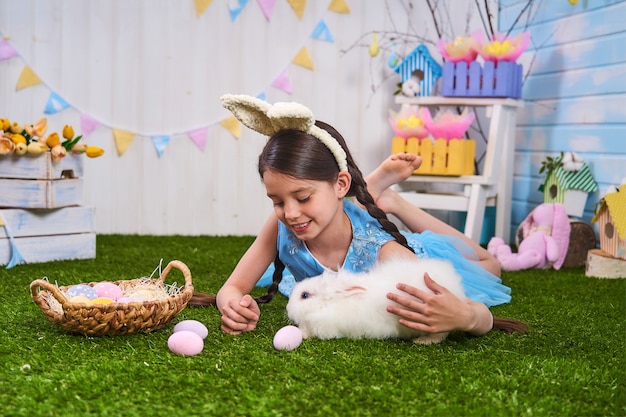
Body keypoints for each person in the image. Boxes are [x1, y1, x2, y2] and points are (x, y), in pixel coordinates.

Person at [207, 94, 517, 337]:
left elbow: (476, 313)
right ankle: (372, 192)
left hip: (398, 245)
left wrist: (467, 317)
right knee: (333, 214)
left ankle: (392, 202)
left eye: (302, 197)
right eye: (276, 201)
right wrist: (233, 306)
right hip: (341, 226)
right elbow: (231, 288)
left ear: (340, 184)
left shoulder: (388, 254)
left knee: (491, 266)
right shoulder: (283, 224)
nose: (289, 213)